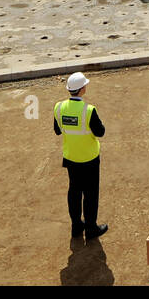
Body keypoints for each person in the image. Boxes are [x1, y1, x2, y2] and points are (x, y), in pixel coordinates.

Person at [54, 71, 108, 242]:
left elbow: (57, 130)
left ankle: (76, 226)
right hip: (90, 159)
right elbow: (100, 132)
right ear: (82, 89)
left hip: (71, 158)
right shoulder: (89, 110)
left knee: (74, 192)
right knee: (91, 194)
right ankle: (91, 228)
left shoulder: (59, 108)